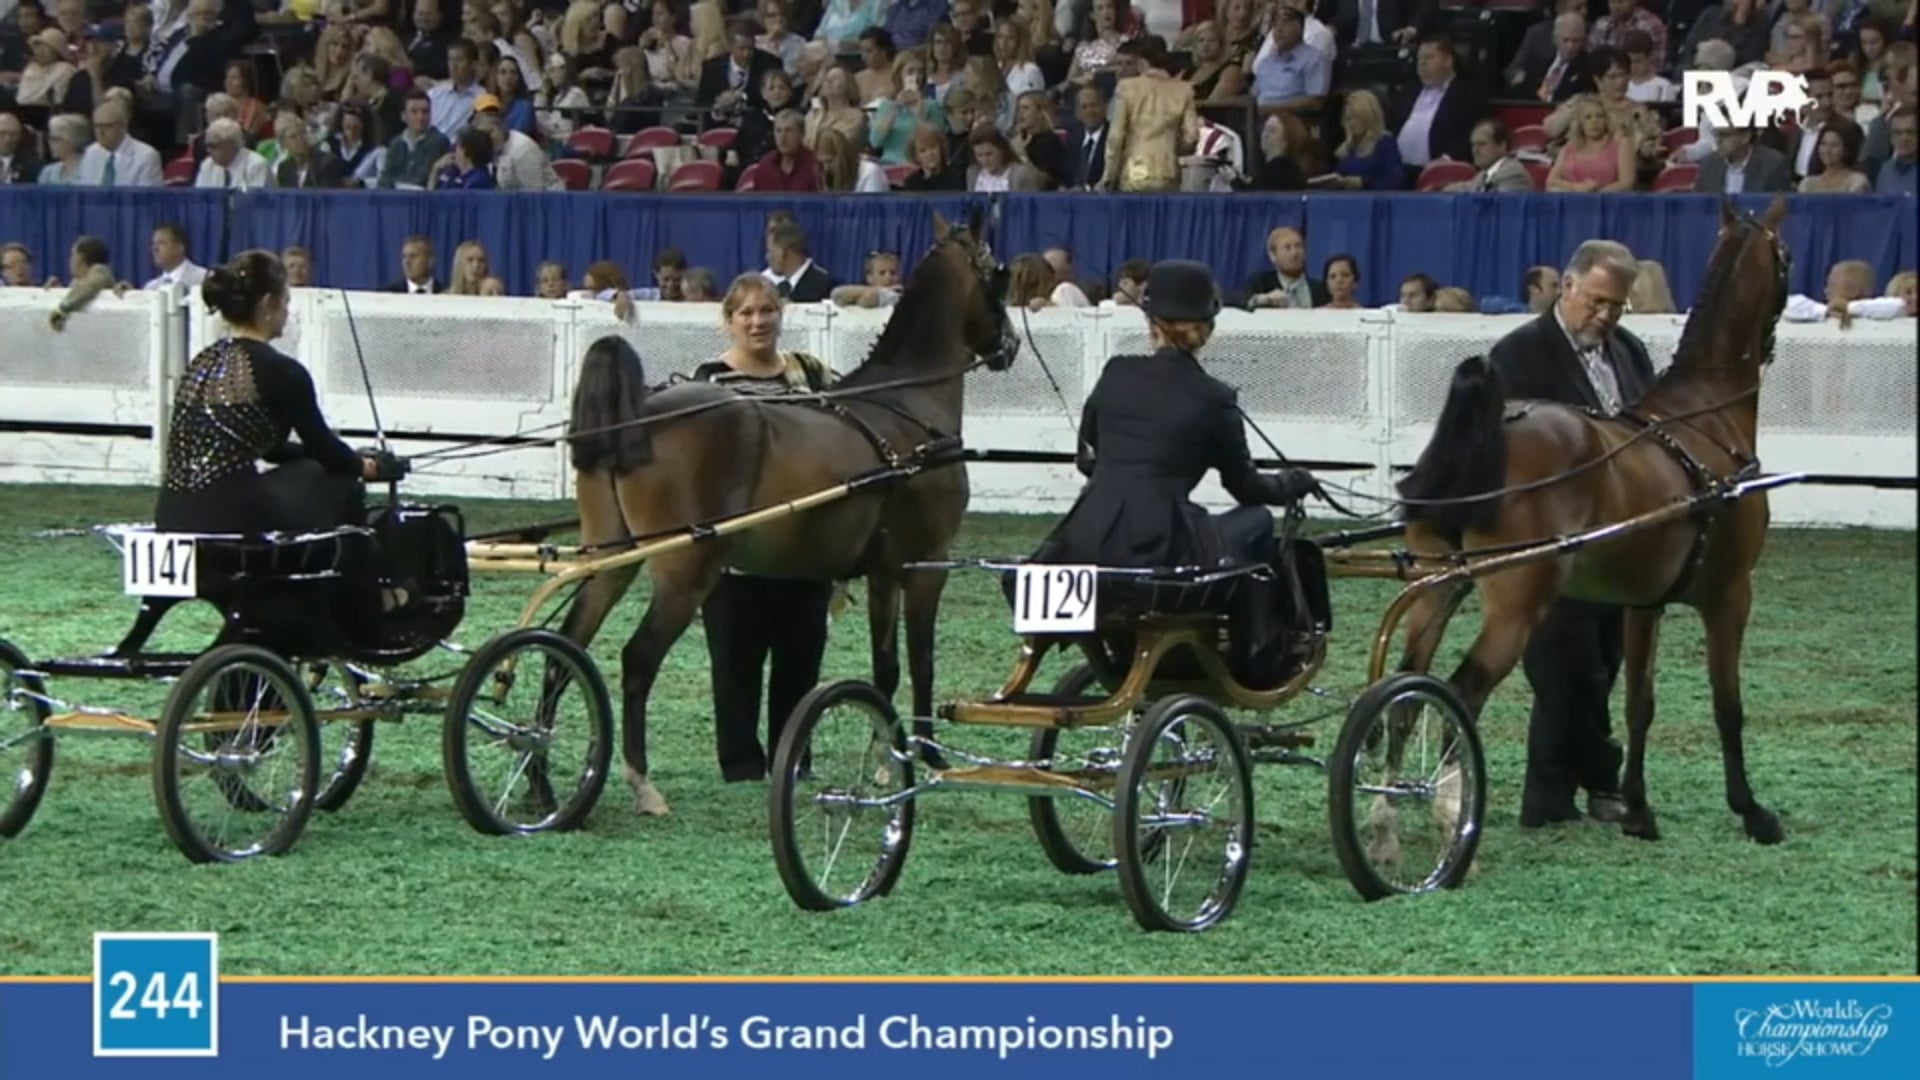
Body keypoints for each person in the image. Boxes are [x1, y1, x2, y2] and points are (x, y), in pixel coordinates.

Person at [1019, 259, 1318, 682]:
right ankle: (1258, 650)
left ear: (1150, 323)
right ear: (1207, 329)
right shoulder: (1215, 398)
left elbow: (1088, 458)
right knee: (1255, 522)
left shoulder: (1115, 374)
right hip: (1158, 549)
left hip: (1081, 540)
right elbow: (1246, 488)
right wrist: (1293, 483)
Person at [1487, 239, 1654, 829]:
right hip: (1547, 543)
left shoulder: (1631, 354)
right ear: (1568, 287)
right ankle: (1589, 784)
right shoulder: (1517, 356)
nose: (1605, 316)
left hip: (1620, 540)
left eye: (1617, 306)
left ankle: (1563, 795)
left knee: (1599, 665)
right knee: (1565, 668)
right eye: (1598, 302)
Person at [155, 250, 407, 598]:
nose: (287, 312)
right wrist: (368, 466)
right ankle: (360, 595)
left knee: (313, 469)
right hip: (231, 523)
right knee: (340, 481)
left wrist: (313, 456)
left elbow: (272, 449)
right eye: (286, 301)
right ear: (269, 303)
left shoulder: (202, 363)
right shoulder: (282, 371)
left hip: (170, 514)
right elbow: (327, 452)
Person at [691, 273, 836, 782]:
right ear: (728, 321)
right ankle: (741, 766)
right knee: (735, 671)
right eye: (746, 313)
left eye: (767, 310)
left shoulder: (812, 375)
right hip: (737, 557)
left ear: (781, 315)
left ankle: (793, 759)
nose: (758, 321)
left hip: (806, 552)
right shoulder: (708, 381)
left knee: (800, 668)